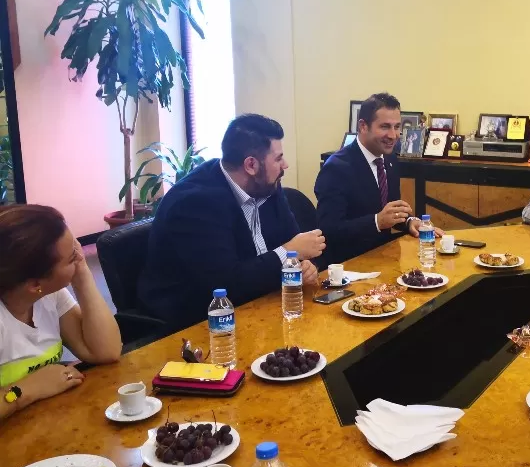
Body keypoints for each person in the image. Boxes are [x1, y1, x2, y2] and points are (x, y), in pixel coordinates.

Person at [138, 114, 324, 329]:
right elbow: (227, 284)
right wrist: (289, 252)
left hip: (259, 306)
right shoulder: (195, 203)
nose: (285, 164)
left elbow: (295, 243)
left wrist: (304, 266)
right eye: (278, 158)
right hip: (195, 323)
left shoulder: (266, 184)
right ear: (251, 165)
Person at [0, 205, 121, 419]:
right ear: (35, 284)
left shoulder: (47, 296)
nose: (80, 254)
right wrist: (28, 389)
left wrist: (81, 274)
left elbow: (106, 351)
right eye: (73, 256)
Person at [315, 93, 441, 265]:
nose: (393, 135)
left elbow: (390, 212)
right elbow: (329, 231)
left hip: (385, 257)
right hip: (349, 265)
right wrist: (376, 222)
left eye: (397, 127)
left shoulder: (389, 159)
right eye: (385, 127)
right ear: (363, 126)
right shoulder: (336, 168)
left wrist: (410, 221)